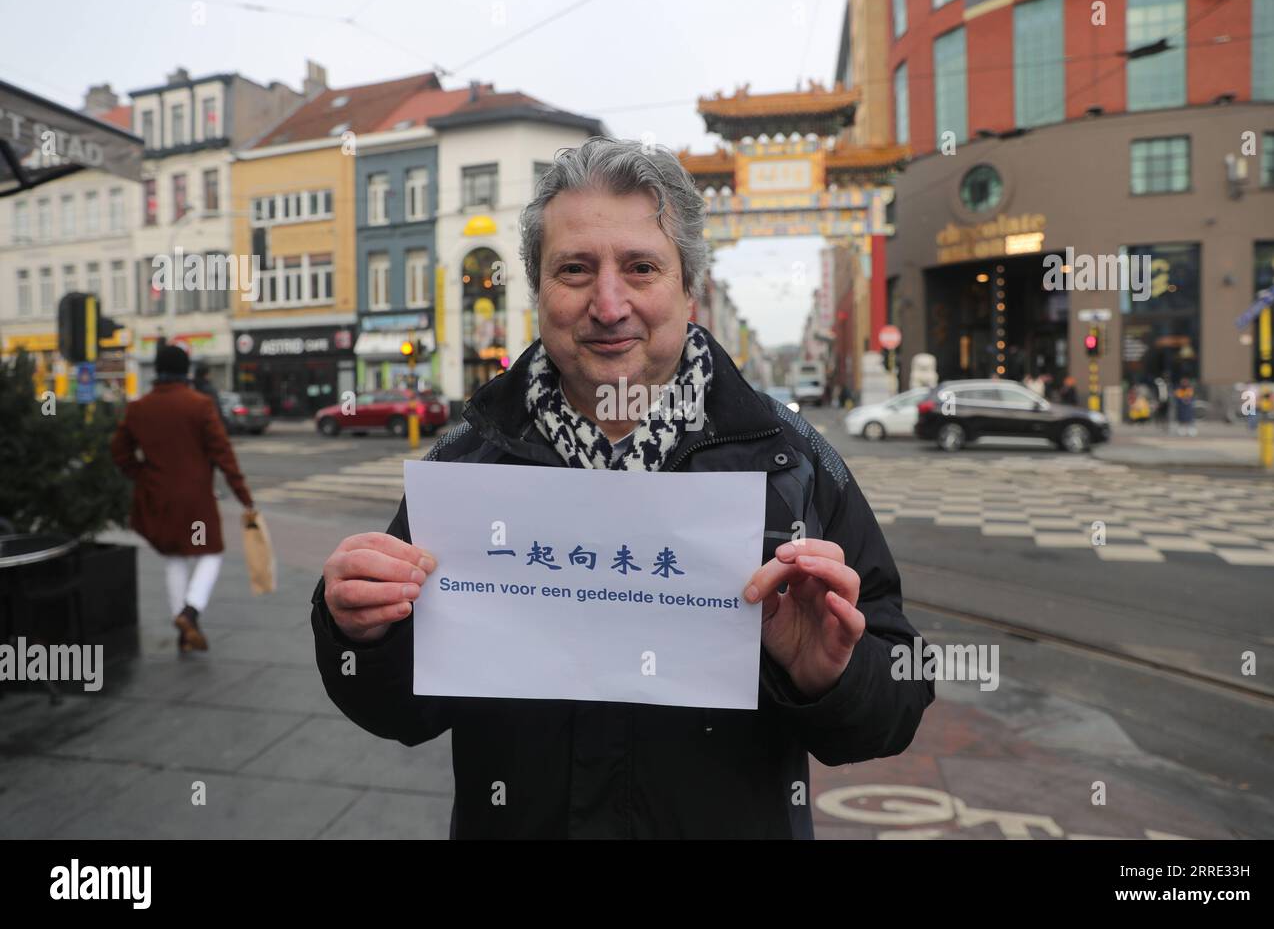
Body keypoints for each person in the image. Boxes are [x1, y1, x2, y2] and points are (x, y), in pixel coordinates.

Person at [310, 137, 934, 839]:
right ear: (539, 290)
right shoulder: (467, 464)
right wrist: (354, 632)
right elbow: (401, 713)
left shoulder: (793, 464)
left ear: (688, 288)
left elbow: (898, 697)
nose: (609, 305)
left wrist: (833, 676)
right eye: (575, 269)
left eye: (641, 267)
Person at [111, 344, 257, 652]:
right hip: (195, 499)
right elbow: (223, 454)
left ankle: (184, 631)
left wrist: (142, 474)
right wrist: (242, 493)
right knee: (211, 551)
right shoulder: (199, 405)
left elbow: (119, 451)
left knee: (174, 557)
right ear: (185, 370)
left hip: (158, 497)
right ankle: (190, 612)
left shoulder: (140, 407)